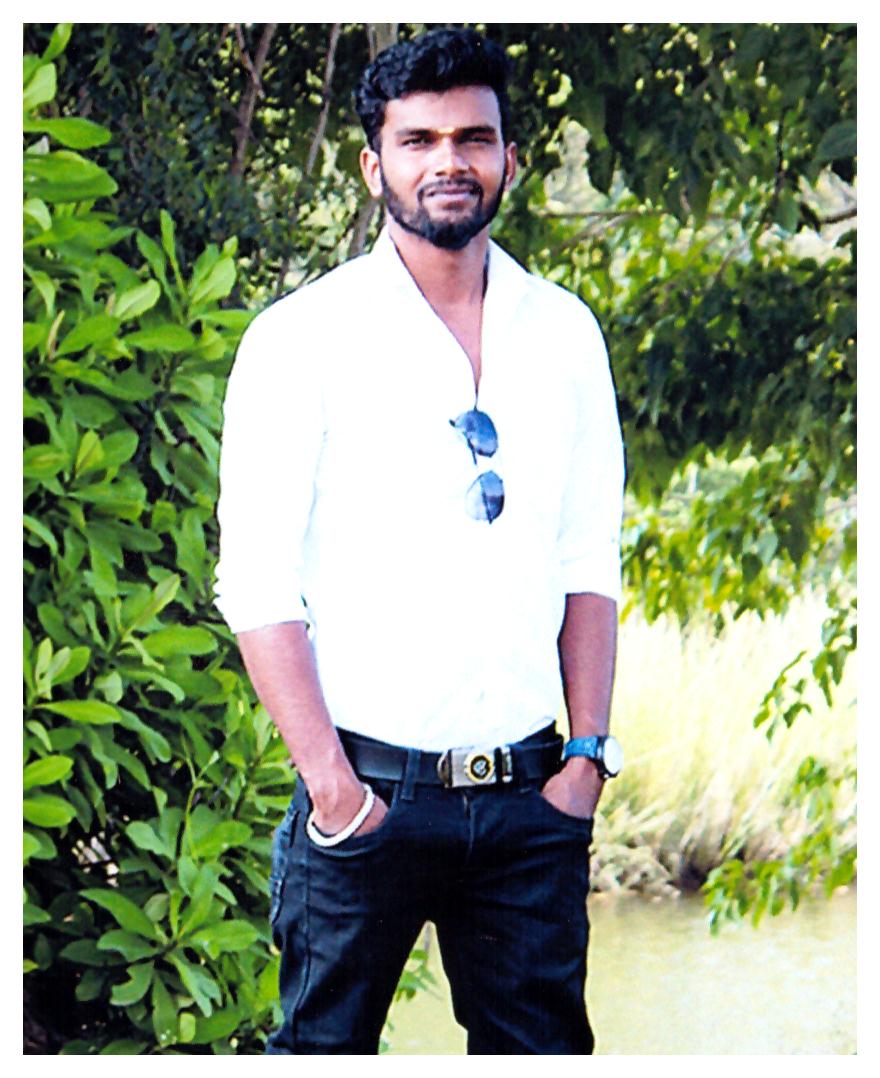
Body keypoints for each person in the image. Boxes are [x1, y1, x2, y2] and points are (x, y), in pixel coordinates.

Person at [214, 26, 625, 1055]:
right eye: (419, 140)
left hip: (533, 800)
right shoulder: (300, 339)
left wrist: (584, 761)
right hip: (368, 803)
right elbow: (257, 585)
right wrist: (332, 789)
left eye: (473, 138)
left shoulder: (564, 332)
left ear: (509, 159)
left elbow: (587, 560)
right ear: (374, 166)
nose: (450, 161)